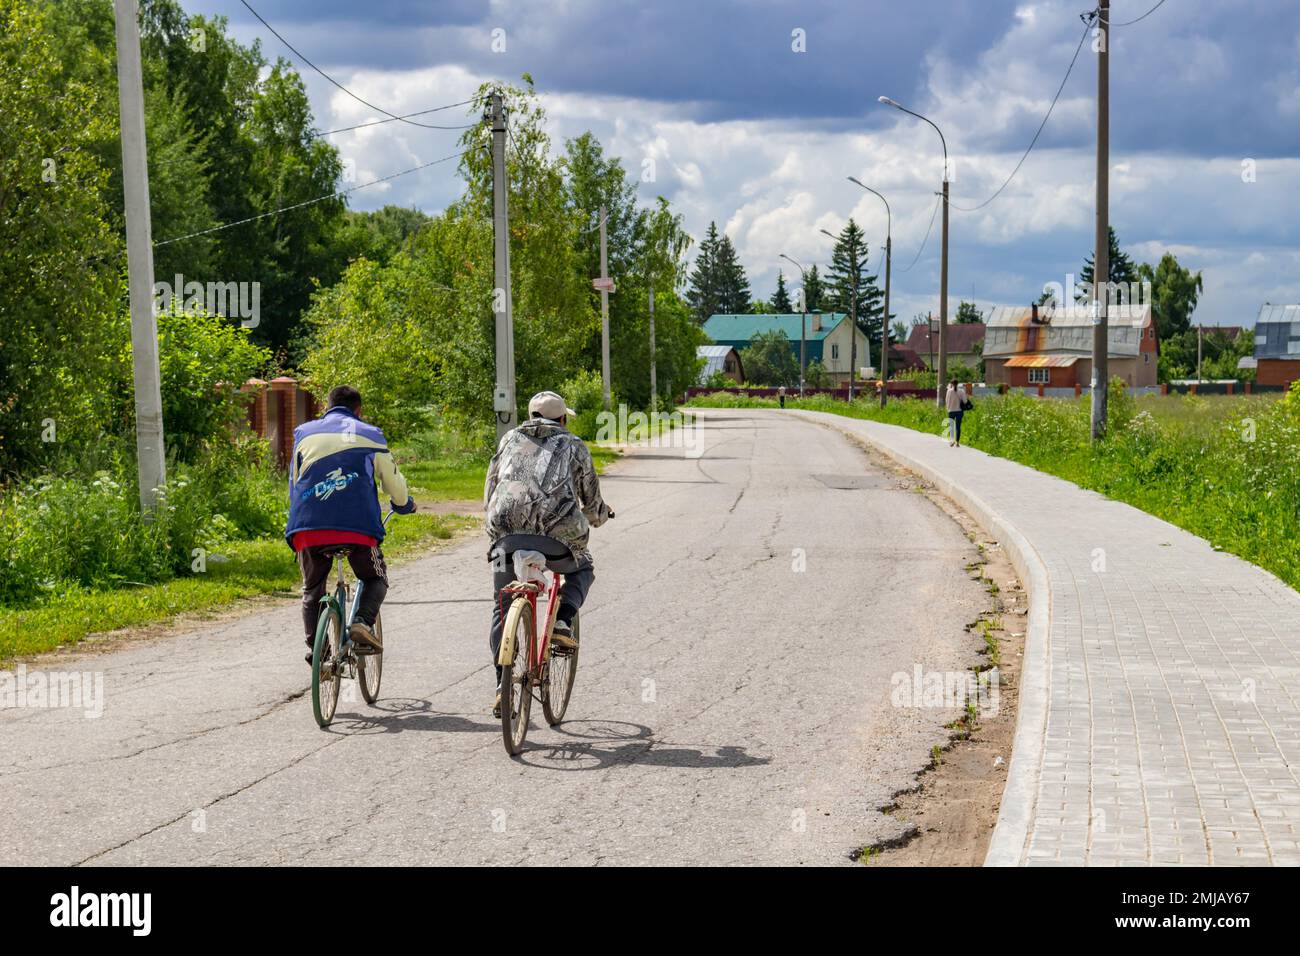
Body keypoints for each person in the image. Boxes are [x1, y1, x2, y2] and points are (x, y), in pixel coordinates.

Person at [484, 390, 612, 716]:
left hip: (505, 534)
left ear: (530, 416)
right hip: (559, 537)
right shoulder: (574, 445)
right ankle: (563, 622)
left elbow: (491, 488)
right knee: (583, 568)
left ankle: (503, 686)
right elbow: (592, 502)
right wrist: (599, 516)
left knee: (502, 603)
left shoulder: (508, 439)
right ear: (563, 419)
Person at [285, 385, 416, 663]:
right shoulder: (370, 434)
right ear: (359, 410)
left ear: (326, 407)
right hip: (357, 529)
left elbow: (294, 483)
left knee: (312, 589)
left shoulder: (303, 433)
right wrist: (404, 504)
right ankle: (362, 622)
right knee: (375, 577)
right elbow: (393, 482)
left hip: (307, 528)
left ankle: (318, 652)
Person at [945, 378, 969, 447]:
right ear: (957, 384)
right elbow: (965, 401)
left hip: (951, 411)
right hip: (959, 411)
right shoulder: (961, 391)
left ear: (951, 384)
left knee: (951, 427)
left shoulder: (949, 391)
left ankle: (952, 441)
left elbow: (947, 401)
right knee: (958, 427)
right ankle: (957, 442)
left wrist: (948, 409)